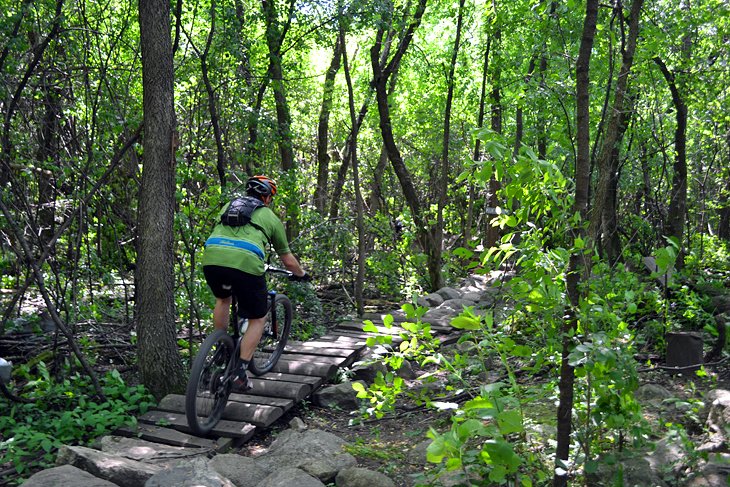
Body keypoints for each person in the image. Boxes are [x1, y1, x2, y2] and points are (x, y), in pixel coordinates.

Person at [202, 175, 309, 391]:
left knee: (223, 299)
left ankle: (221, 347)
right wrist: (302, 274)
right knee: (258, 318)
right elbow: (288, 260)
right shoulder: (269, 217)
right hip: (247, 264)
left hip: (212, 258)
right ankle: (240, 372)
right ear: (267, 197)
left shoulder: (227, 207)